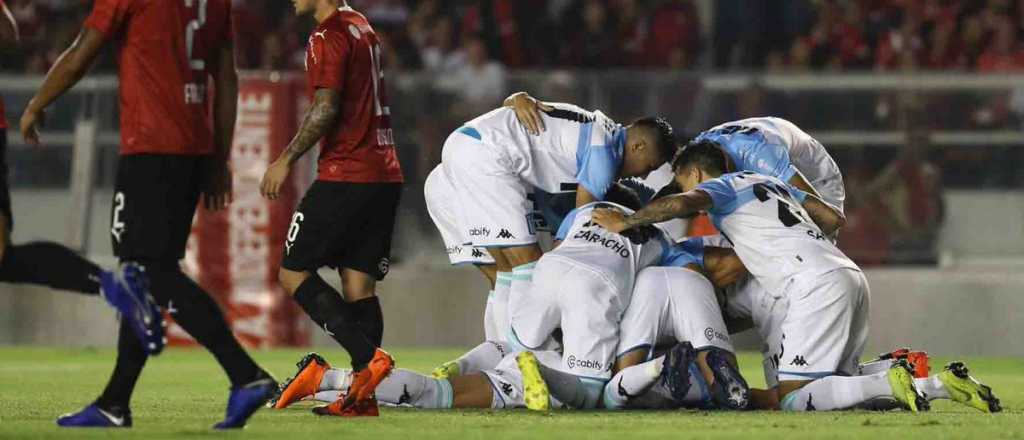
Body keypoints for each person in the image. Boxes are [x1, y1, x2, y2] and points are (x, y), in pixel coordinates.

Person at [591, 140, 1001, 413]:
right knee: (836, 387)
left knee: (793, 399)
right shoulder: (773, 184)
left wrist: (628, 221)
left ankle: (889, 380)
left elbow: (683, 204)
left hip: (813, 284)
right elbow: (831, 216)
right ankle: (935, 384)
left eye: (681, 181)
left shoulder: (723, 188)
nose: (682, 190)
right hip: (847, 272)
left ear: (695, 174)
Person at [20, 0, 275, 428]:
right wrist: (218, 159)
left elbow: (82, 52)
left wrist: (37, 102)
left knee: (147, 275)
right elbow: (226, 78)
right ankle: (115, 403)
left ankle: (245, 374)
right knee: (149, 274)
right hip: (194, 148)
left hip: (150, 148)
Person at [425, 91, 674, 378]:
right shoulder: (604, 157)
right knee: (529, 267)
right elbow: (581, 229)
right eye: (650, 166)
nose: (643, 176)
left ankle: (493, 362)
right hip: (485, 159)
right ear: (638, 146)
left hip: (455, 163)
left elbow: (523, 114)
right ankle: (513, 369)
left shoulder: (594, 126)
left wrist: (515, 97)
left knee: (503, 273)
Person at [259, 0, 403, 418]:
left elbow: (326, 107)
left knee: (292, 272)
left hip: (346, 174)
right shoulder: (361, 25)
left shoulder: (328, 34)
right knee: (359, 286)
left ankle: (368, 358)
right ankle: (362, 397)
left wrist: (285, 159)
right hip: (384, 174)